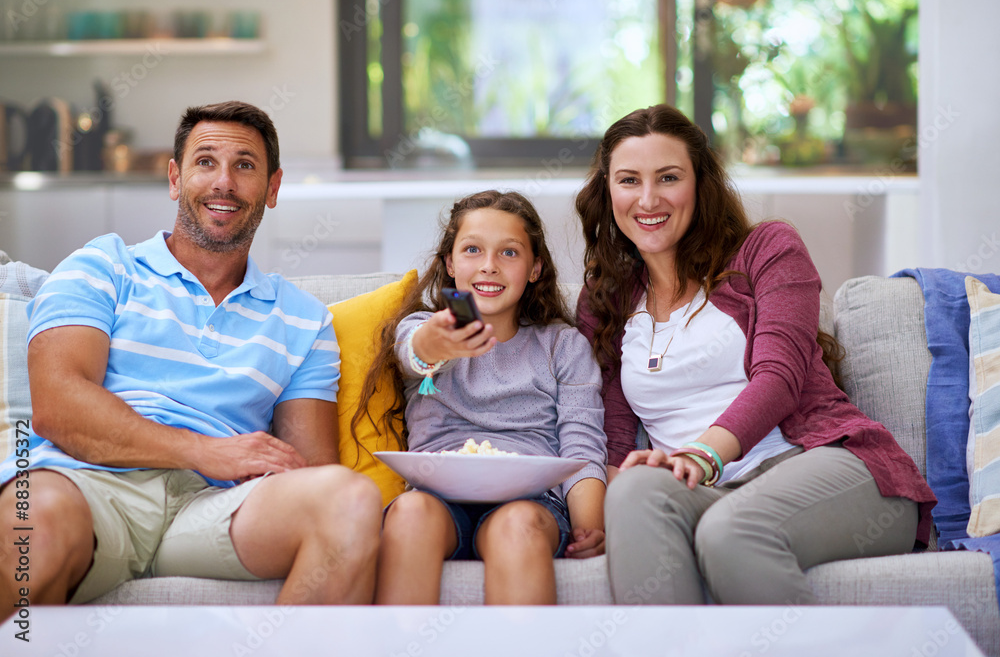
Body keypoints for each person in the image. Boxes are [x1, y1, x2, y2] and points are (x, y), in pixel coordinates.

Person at [0, 101, 381, 619]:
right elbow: (58, 407)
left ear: (272, 188)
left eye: (245, 165)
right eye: (206, 162)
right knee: (33, 522)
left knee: (349, 500)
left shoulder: (304, 320)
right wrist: (205, 450)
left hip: (218, 506)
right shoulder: (102, 266)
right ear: (176, 179)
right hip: (90, 482)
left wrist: (233, 469)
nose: (224, 182)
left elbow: (308, 468)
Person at [574, 104, 937, 606]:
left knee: (731, 530)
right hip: (708, 490)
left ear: (701, 184)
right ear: (608, 190)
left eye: (669, 177)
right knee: (633, 491)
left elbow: (779, 377)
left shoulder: (766, 249)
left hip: (830, 469)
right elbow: (614, 433)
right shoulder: (607, 297)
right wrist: (600, 519)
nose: (649, 198)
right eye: (629, 180)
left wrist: (700, 455)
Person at [360, 190, 606, 605]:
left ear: (535, 268)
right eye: (472, 249)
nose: (489, 265)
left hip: (532, 499)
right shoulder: (427, 328)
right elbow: (415, 351)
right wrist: (437, 343)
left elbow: (582, 444)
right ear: (450, 263)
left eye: (509, 252)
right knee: (410, 514)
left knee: (517, 525)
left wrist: (589, 526)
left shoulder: (562, 346)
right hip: (434, 496)